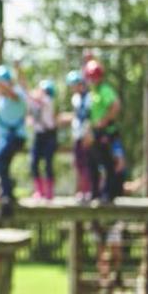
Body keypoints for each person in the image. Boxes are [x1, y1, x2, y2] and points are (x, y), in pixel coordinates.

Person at [0, 64, 27, 224]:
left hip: (15, 137)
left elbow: (8, 91)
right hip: (5, 139)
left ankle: (7, 196)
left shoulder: (15, 93)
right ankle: (7, 194)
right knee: (1, 165)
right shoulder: (1, 99)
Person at [84, 59, 122, 203]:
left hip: (105, 132)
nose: (92, 79)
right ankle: (95, 193)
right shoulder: (94, 91)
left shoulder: (105, 90)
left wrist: (103, 121)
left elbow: (115, 106)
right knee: (93, 162)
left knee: (107, 164)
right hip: (96, 132)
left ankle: (109, 194)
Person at [59, 70, 92, 201]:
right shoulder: (75, 99)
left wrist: (88, 133)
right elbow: (77, 116)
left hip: (87, 135)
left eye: (73, 85)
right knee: (78, 164)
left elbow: (88, 117)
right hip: (77, 135)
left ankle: (88, 190)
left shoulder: (89, 98)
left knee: (87, 164)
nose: (72, 88)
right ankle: (81, 191)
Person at [27, 79, 57, 200]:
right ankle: (39, 190)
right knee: (34, 162)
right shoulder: (36, 104)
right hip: (38, 135)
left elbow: (33, 96)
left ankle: (49, 191)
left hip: (49, 135)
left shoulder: (48, 101)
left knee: (48, 163)